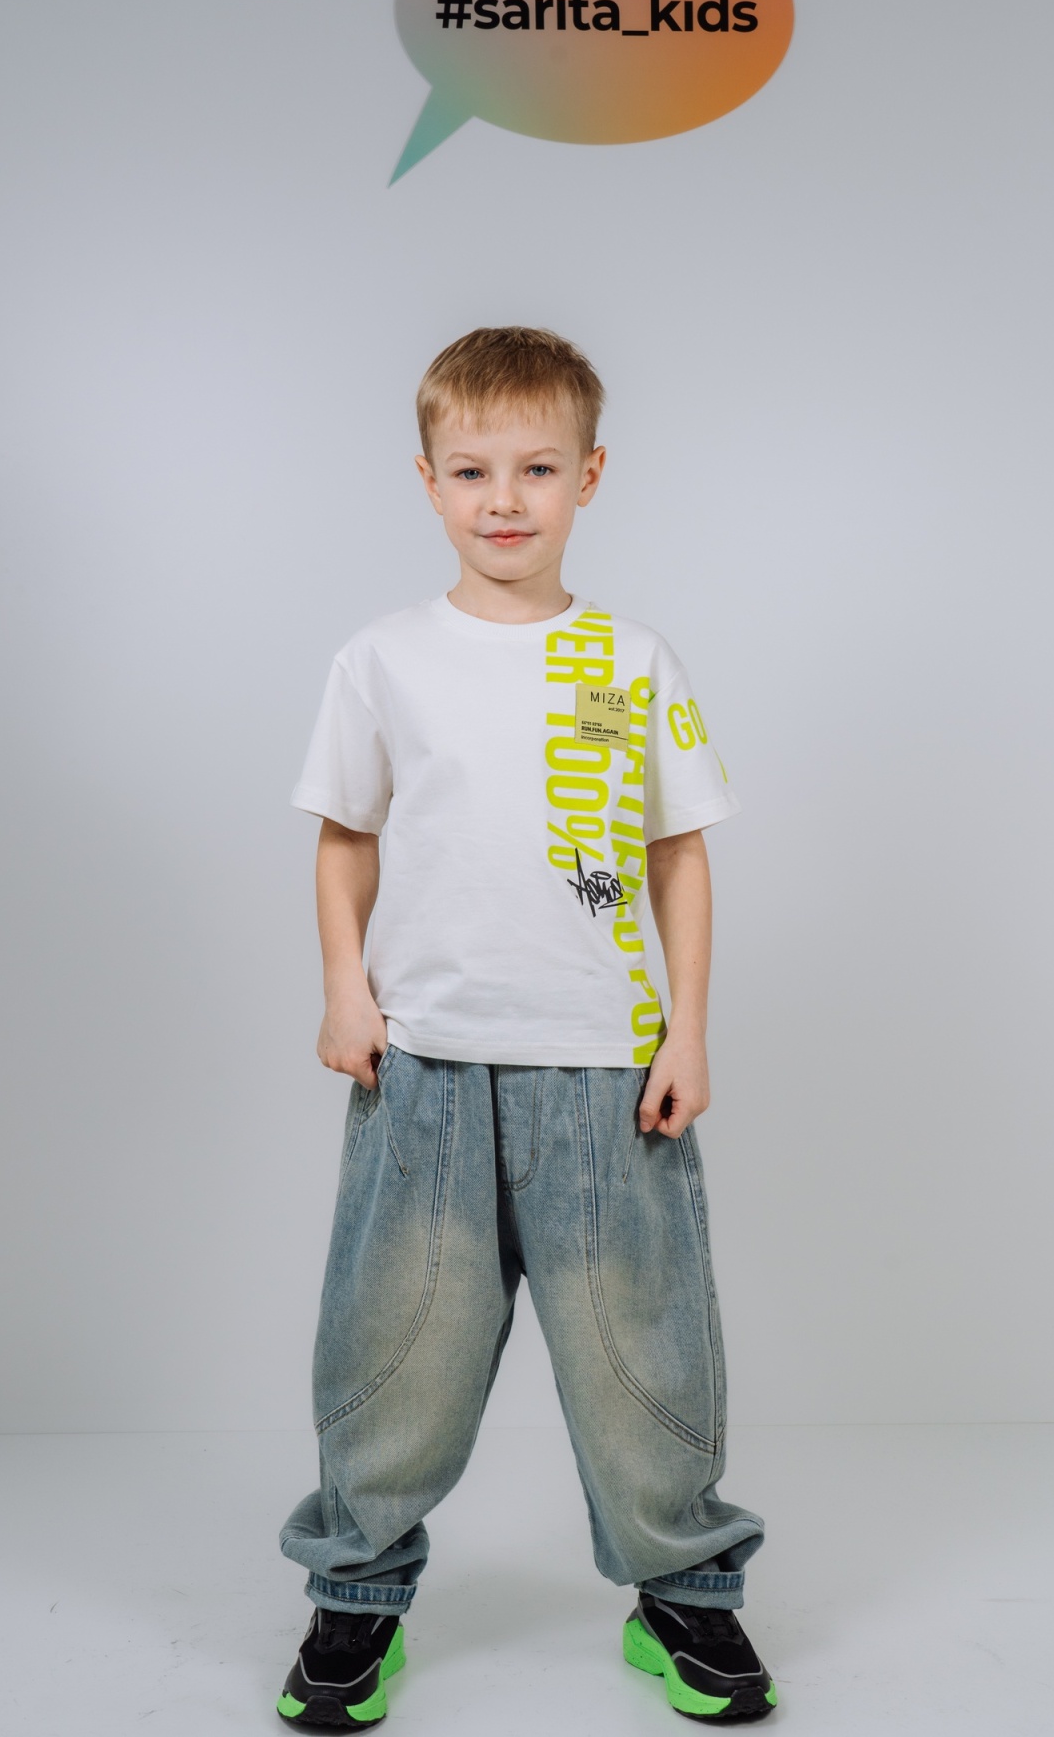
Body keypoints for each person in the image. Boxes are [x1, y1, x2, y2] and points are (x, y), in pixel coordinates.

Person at [275, 327, 775, 1727]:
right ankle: (356, 1597)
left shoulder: (633, 657)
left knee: (640, 1348)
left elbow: (678, 853)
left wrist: (687, 1032)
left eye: (539, 469)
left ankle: (684, 1594)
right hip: (427, 1065)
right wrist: (344, 986)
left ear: (590, 476)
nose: (505, 498)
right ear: (428, 480)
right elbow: (344, 836)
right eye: (473, 470)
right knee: (396, 1345)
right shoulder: (384, 659)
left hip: (607, 1069)